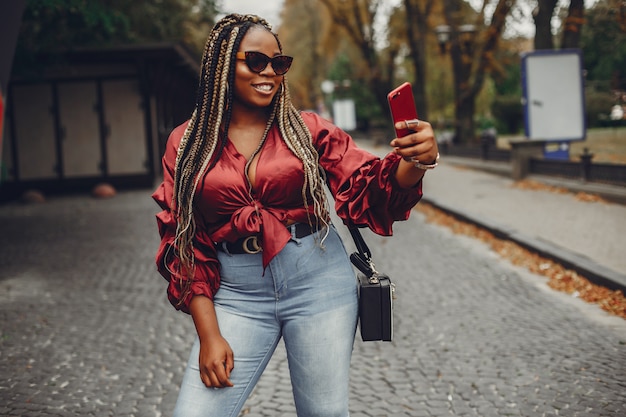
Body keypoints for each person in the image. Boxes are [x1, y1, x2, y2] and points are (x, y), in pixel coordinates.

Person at [152, 13, 439, 417]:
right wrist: (209, 333)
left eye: (279, 63)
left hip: (319, 285)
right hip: (236, 296)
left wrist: (416, 162)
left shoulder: (306, 129)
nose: (269, 72)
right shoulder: (185, 144)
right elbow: (182, 239)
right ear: (221, 65)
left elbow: (368, 184)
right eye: (254, 61)